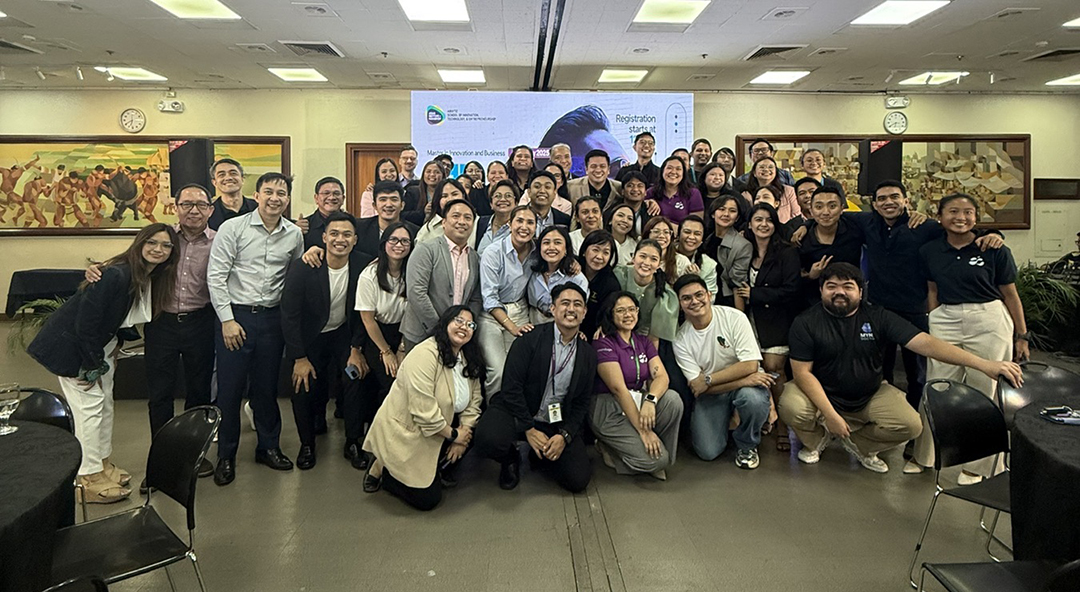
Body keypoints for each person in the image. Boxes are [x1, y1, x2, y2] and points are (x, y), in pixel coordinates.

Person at [781, 262, 1023, 473]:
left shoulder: (878, 316)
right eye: (831, 286)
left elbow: (926, 344)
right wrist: (831, 415)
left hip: (869, 394)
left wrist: (984, 365)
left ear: (860, 291)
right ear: (821, 290)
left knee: (911, 424)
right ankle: (817, 442)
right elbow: (802, 374)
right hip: (822, 395)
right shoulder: (806, 322)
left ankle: (860, 446)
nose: (839, 292)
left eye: (848, 286)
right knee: (790, 404)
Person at [29, 223, 179, 503]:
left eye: (166, 245)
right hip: (75, 351)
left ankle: (102, 463)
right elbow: (86, 323)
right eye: (152, 242)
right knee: (89, 408)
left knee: (105, 404)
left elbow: (119, 317)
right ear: (139, 243)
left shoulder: (146, 276)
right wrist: (90, 365)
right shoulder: (115, 274)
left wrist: (114, 348)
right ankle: (87, 478)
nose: (158, 249)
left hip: (102, 348)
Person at [910, 193, 1029, 483]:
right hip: (945, 317)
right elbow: (932, 289)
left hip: (988, 318)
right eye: (953, 211)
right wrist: (934, 317)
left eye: (967, 212)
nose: (960, 218)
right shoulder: (929, 250)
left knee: (986, 389)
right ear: (940, 216)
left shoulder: (993, 248)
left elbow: (1010, 294)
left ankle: (979, 466)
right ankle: (926, 455)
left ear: (976, 218)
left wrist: (1022, 336)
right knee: (937, 386)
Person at [207, 172, 305, 486]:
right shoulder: (232, 228)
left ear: (287, 199)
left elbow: (293, 278)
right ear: (257, 195)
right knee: (230, 390)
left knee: (266, 388)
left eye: (281, 193)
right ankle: (226, 454)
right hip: (236, 318)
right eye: (269, 192)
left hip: (272, 320)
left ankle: (268, 447)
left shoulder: (294, 234)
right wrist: (227, 320)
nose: (275, 198)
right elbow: (216, 276)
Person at [472, 283, 598, 492]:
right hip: (519, 409)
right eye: (565, 303)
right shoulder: (529, 339)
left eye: (577, 304)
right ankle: (510, 458)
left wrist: (564, 436)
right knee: (487, 439)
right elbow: (511, 387)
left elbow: (581, 402)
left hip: (555, 418)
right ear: (553, 309)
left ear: (584, 312)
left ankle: (542, 454)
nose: (571, 309)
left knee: (578, 480)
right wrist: (528, 429)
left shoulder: (588, 354)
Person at [361, 306, 484, 510]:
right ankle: (383, 468)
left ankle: (434, 469)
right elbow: (423, 413)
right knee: (428, 500)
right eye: (458, 321)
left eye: (470, 325)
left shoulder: (468, 358)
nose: (464, 327)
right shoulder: (425, 354)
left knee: (481, 430)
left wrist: (465, 434)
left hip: (445, 427)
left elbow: (475, 400)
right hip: (412, 430)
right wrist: (455, 435)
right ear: (445, 323)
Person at [281, 212, 367, 471]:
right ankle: (307, 444)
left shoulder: (363, 265)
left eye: (347, 234)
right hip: (310, 337)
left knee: (354, 377)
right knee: (302, 382)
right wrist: (299, 357)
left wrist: (356, 349)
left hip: (344, 335)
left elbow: (365, 312)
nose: (340, 239)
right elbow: (289, 314)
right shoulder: (305, 266)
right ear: (324, 237)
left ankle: (353, 441)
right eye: (334, 234)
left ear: (355, 239)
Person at [673, 275, 772, 468]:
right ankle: (730, 420)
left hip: (743, 387)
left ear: (709, 295)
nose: (694, 301)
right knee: (707, 452)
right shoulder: (681, 339)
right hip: (716, 392)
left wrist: (708, 379)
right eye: (686, 298)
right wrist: (742, 381)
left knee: (752, 399)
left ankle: (747, 444)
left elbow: (750, 365)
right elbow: (698, 388)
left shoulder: (734, 317)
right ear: (679, 304)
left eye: (699, 295)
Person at [734, 203, 801, 451]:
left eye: (769, 220)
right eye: (758, 219)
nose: (763, 224)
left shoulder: (787, 253)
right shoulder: (745, 250)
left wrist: (756, 294)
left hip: (776, 321)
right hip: (749, 321)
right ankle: (763, 417)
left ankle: (784, 427)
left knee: (774, 369)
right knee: (754, 370)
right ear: (750, 224)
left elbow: (792, 290)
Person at [354, 222, 414, 469]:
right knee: (389, 382)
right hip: (376, 335)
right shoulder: (370, 274)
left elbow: (413, 312)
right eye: (394, 240)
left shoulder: (413, 271)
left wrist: (401, 348)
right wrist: (387, 352)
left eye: (405, 241)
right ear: (384, 244)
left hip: (405, 333)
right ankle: (378, 445)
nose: (399, 245)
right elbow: (367, 319)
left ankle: (398, 442)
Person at [401, 198, 482, 350]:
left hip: (458, 337)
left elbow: (475, 299)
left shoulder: (475, 258)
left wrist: (464, 326)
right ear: (444, 222)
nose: (462, 221)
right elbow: (416, 292)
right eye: (456, 216)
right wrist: (442, 329)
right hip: (423, 333)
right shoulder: (426, 249)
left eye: (468, 218)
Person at [478, 205, 538, 400]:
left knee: (521, 367)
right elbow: (489, 298)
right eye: (519, 221)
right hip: (491, 315)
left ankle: (516, 410)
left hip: (519, 310)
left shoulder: (537, 251)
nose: (524, 227)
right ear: (510, 224)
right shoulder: (493, 252)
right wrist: (512, 327)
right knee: (498, 371)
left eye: (530, 222)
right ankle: (495, 411)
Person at [796, 187, 865, 309]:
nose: (826, 212)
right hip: (811, 302)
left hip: (851, 299)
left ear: (842, 208)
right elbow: (791, 278)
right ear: (811, 210)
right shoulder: (800, 238)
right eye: (819, 207)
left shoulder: (855, 229)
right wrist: (810, 276)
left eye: (832, 206)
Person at [613, 240, 680, 346]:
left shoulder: (663, 293)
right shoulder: (619, 275)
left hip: (643, 340)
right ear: (633, 257)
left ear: (659, 264)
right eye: (643, 256)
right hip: (613, 332)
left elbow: (654, 338)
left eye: (653, 259)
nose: (647, 263)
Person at [529, 225, 589, 324]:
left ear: (566, 249)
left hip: (563, 323)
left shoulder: (577, 278)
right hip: (534, 319)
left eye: (557, 243)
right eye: (546, 243)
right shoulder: (532, 270)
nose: (551, 247)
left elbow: (579, 310)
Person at [353, 181, 420, 262]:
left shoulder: (415, 232)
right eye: (383, 199)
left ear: (402, 205)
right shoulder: (360, 228)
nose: (388, 205)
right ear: (374, 205)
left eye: (394, 199)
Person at [705, 195, 752, 306]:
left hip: (725, 299)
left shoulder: (743, 245)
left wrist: (739, 313)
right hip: (704, 295)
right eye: (721, 209)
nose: (726, 214)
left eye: (732, 211)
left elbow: (738, 284)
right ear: (713, 214)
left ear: (737, 218)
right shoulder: (706, 238)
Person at [579, 230, 621, 341]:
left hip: (590, 335)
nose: (599, 257)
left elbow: (607, 316)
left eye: (606, 253)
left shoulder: (611, 284)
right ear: (584, 251)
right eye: (595, 250)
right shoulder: (572, 269)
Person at [644, 156, 704, 225]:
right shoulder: (651, 192)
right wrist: (647, 202)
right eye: (669, 168)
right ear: (662, 171)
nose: (673, 172)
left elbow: (695, 226)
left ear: (683, 173)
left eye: (678, 169)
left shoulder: (693, 193)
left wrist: (667, 227)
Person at [415, 178, 475, 245]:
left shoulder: (478, 223)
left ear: (463, 196)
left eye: (454, 194)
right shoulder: (428, 229)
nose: (450, 199)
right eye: (444, 196)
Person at [301, 177, 354, 250]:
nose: (331, 197)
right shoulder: (305, 226)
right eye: (326, 193)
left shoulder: (353, 224)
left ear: (343, 198)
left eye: (336, 193)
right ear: (316, 198)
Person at [741, 157, 799, 224]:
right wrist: (751, 203)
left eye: (770, 167)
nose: (766, 169)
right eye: (762, 167)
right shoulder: (746, 194)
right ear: (754, 173)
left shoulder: (788, 191)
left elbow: (796, 216)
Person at [206, 158, 256, 231]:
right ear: (214, 182)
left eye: (233, 173)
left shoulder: (258, 209)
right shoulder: (208, 213)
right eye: (221, 175)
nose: (228, 178)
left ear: (242, 179)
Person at [675, 215, 718, 296]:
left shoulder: (708, 264)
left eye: (697, 234)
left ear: (702, 239)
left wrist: (697, 280)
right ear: (678, 235)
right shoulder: (664, 254)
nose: (691, 237)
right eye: (687, 232)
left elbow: (711, 297)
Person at [642, 216, 692, 284]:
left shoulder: (681, 261)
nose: (661, 236)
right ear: (647, 235)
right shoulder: (639, 258)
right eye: (656, 231)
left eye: (666, 232)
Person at [475, 179, 520, 254]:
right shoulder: (480, 223)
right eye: (497, 196)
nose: (502, 199)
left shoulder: (519, 227)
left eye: (508, 196)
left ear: (516, 203)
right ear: (491, 204)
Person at [605, 171, 654, 237]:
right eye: (630, 185)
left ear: (645, 192)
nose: (635, 189)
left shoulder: (651, 212)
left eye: (640, 186)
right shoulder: (611, 212)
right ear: (622, 191)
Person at [403, 161, 444, 226]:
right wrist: (423, 212)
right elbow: (404, 215)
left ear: (443, 175)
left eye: (437, 172)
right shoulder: (413, 192)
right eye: (428, 171)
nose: (432, 174)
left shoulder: (446, 194)